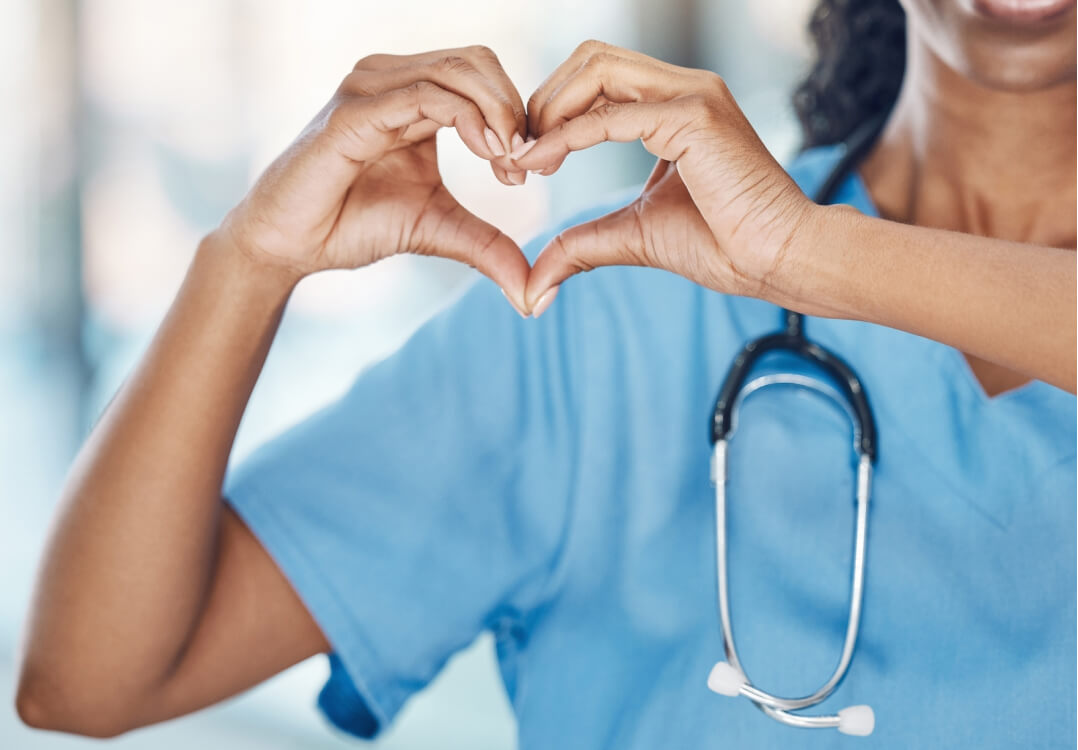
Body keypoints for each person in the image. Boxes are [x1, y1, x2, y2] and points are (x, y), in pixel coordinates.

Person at [15, 0, 1076, 746]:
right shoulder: (611, 305)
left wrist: (807, 255)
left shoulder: (746, 248)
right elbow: (89, 680)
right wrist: (249, 257)